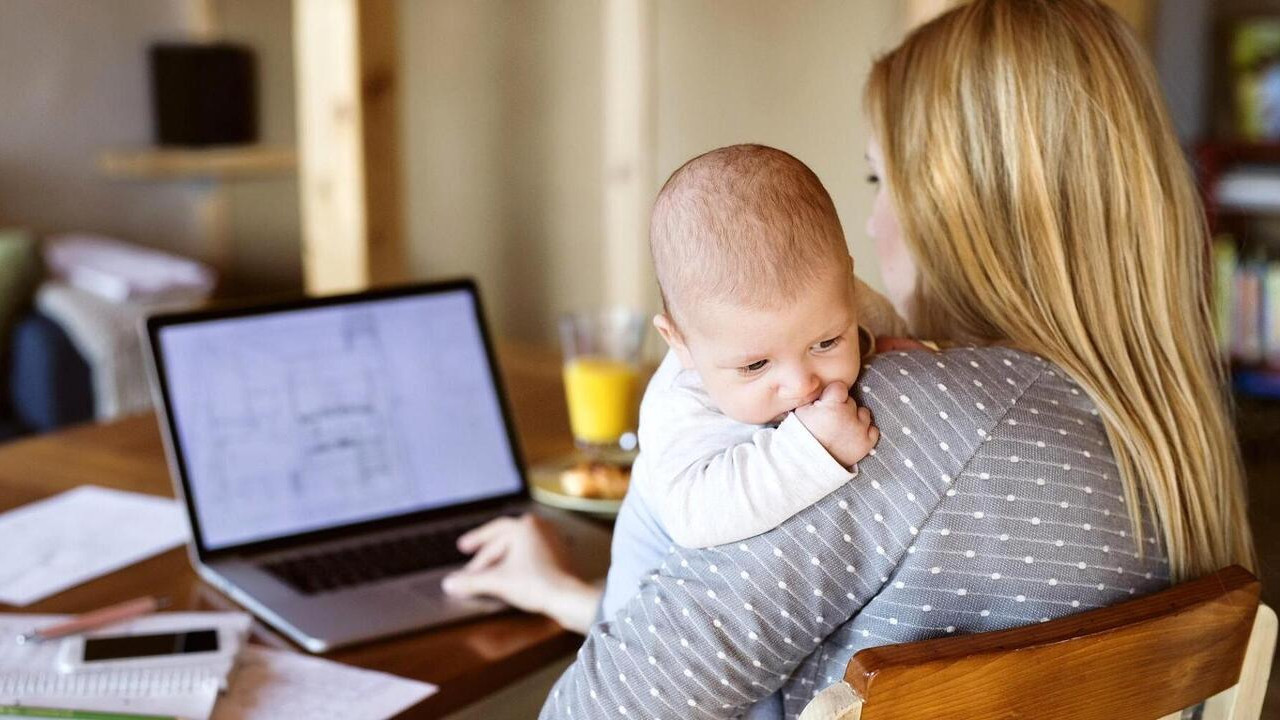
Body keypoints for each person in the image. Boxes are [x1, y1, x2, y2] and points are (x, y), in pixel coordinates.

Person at [444, 1, 1256, 717]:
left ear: (962, 207)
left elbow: (602, 711)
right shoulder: (1169, 436)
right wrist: (569, 596)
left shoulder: (898, 422)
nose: (869, 228)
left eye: (880, 179)